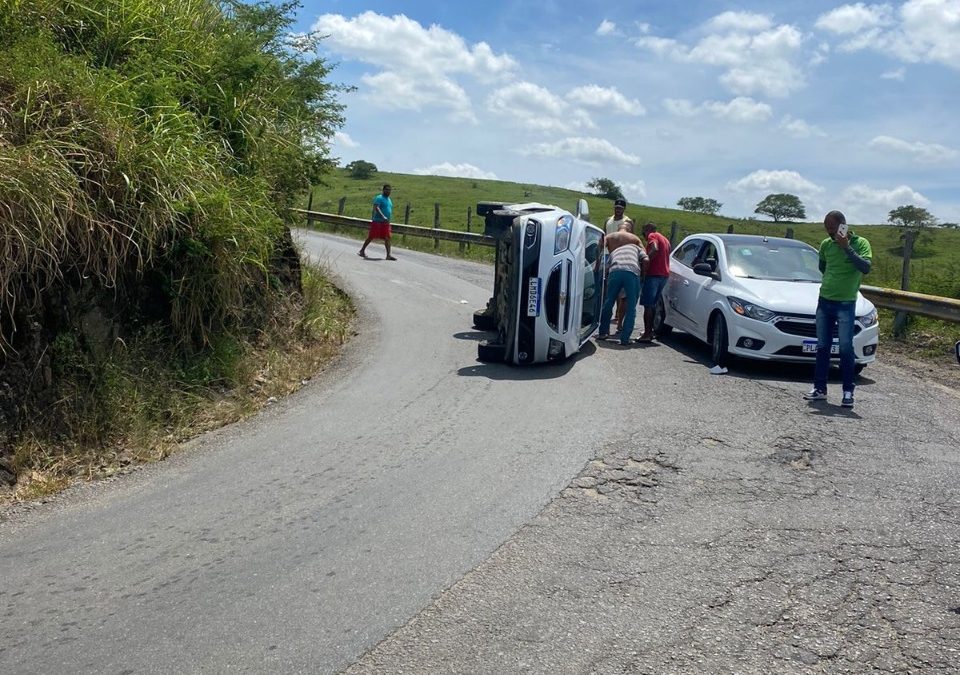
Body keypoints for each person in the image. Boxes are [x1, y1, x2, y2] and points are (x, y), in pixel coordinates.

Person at [803, 210, 872, 408]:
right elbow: (823, 267)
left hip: (846, 303)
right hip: (825, 301)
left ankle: (848, 391)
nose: (830, 233)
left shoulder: (861, 243)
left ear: (844, 226)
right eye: (827, 230)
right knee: (823, 346)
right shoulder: (826, 245)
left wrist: (846, 248)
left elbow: (865, 267)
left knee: (845, 347)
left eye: (833, 229)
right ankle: (819, 389)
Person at [597, 221, 648, 345]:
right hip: (632, 272)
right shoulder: (634, 239)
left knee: (609, 302)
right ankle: (624, 338)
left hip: (615, 270)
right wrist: (643, 276)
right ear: (629, 230)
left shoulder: (609, 237)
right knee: (630, 305)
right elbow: (645, 258)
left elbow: (598, 252)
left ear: (618, 228)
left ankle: (603, 332)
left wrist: (598, 269)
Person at [637, 222, 671, 343]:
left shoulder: (652, 236)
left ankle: (646, 334)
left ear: (647, 230)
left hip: (654, 274)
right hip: (664, 275)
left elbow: (655, 249)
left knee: (648, 305)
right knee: (654, 304)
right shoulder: (665, 239)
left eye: (643, 233)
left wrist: (645, 261)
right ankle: (650, 331)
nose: (645, 237)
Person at [604, 198, 634, 331]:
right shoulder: (608, 220)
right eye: (616, 207)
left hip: (620, 255)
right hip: (607, 253)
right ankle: (607, 313)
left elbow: (631, 238)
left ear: (624, 209)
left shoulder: (627, 222)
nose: (618, 210)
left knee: (619, 287)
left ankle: (618, 314)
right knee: (608, 284)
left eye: (620, 208)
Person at [359, 184, 397, 260]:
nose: (388, 191)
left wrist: (388, 219)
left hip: (386, 222)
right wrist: (383, 216)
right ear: (383, 190)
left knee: (387, 237)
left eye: (390, 190)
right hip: (378, 221)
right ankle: (362, 250)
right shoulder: (379, 198)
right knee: (371, 236)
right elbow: (376, 208)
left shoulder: (389, 200)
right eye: (387, 190)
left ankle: (388, 255)